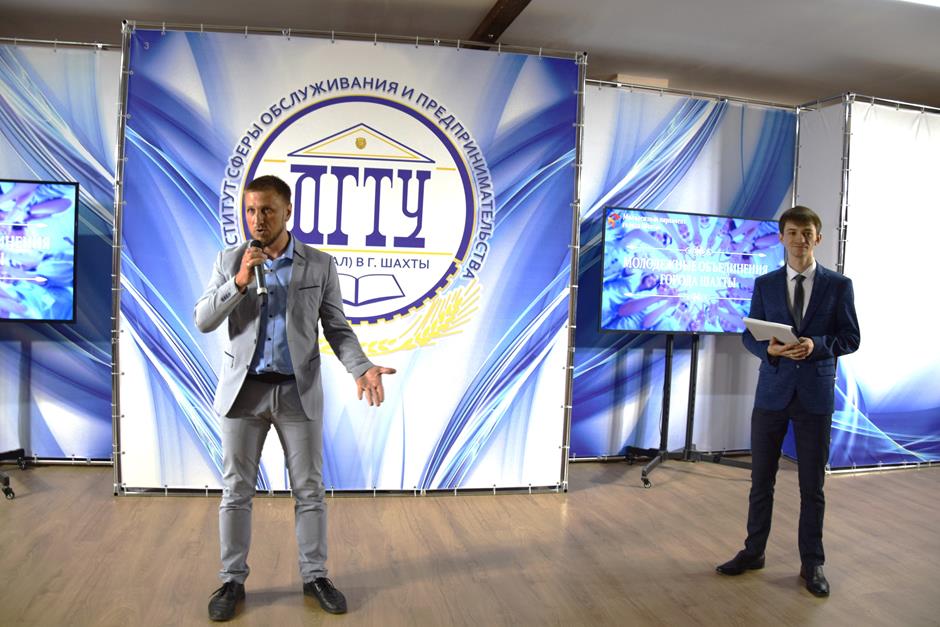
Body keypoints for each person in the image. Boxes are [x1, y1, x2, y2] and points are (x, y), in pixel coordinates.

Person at [194, 174, 395, 621]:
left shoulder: (319, 265)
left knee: (309, 490)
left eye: (267, 210)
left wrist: (360, 366)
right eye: (250, 210)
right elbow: (204, 319)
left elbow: (336, 327)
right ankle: (231, 580)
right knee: (236, 490)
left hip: (296, 393)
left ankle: (315, 576)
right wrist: (239, 281)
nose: (257, 219)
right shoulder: (229, 260)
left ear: (288, 211)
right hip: (243, 394)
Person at [716, 205, 860, 597]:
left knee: (812, 486)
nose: (800, 240)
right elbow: (749, 335)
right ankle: (753, 552)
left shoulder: (838, 285)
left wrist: (817, 345)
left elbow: (851, 338)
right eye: (792, 233)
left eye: (807, 233)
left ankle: (812, 564)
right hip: (772, 395)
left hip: (815, 397)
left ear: (819, 238)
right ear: (781, 238)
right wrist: (769, 351)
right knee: (760, 481)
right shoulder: (765, 284)